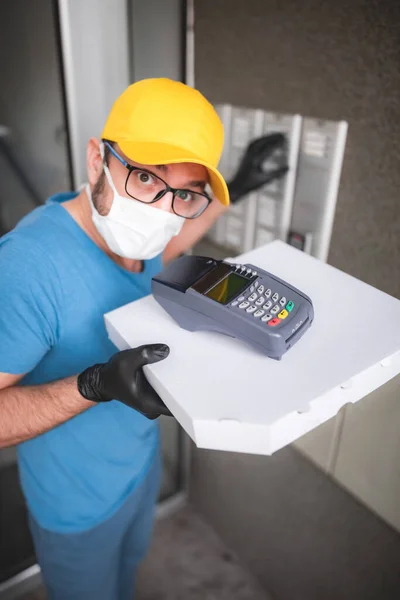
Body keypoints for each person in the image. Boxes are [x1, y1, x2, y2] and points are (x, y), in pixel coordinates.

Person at [0, 77, 288, 600]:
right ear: (97, 161)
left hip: (138, 474)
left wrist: (239, 185)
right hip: (76, 507)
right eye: (147, 179)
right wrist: (91, 386)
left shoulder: (137, 232)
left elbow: (171, 242)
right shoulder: (27, 269)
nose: (162, 210)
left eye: (185, 194)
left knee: (129, 576)